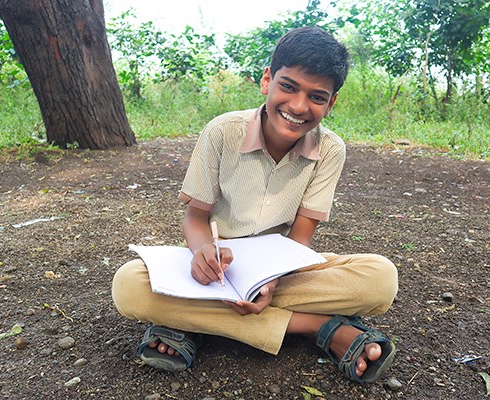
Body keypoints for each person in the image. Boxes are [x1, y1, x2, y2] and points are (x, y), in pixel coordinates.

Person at [112, 26, 398, 384]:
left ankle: (190, 323)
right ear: (267, 80)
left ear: (331, 102)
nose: (297, 106)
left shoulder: (330, 149)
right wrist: (202, 253)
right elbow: (196, 217)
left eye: (316, 96)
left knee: (380, 279)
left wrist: (271, 281)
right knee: (128, 285)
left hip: (283, 268)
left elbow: (301, 236)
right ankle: (317, 326)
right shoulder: (222, 132)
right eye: (288, 86)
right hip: (217, 269)